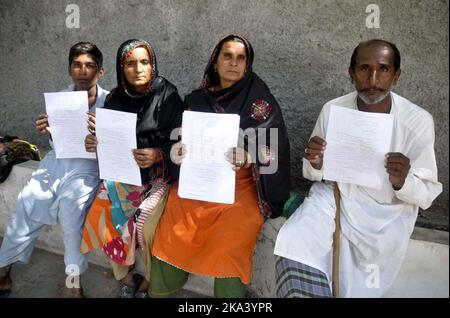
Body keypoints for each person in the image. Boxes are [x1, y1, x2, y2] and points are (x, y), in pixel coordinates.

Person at [274, 39, 443, 298]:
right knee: (297, 241)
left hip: (387, 214)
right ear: (351, 73)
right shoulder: (333, 110)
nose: (373, 79)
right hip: (336, 198)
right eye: (364, 68)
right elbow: (313, 173)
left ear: (396, 75)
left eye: (383, 69)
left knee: (358, 287)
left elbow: (427, 194)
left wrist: (403, 181)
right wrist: (316, 162)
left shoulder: (417, 121)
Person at [150, 34, 290, 298]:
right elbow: (180, 139)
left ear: (247, 65)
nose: (233, 63)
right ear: (216, 61)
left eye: (241, 58)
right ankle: (162, 290)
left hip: (244, 185)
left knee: (231, 240)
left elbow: (276, 148)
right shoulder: (197, 100)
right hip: (201, 179)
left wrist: (249, 157)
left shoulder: (261, 103)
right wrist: (177, 152)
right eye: (227, 56)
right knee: (175, 222)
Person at [0, 42, 108, 298]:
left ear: (100, 72)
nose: (83, 71)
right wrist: (48, 131)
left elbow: (116, 145)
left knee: (72, 215)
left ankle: (73, 283)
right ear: (70, 68)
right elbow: (56, 143)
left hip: (88, 169)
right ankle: (3, 269)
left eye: (90, 66)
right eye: (77, 65)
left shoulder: (110, 102)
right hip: (57, 163)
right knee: (27, 204)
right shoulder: (62, 98)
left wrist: (100, 134)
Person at [80, 39, 184, 298]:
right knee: (103, 211)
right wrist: (95, 142)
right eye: (130, 63)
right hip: (124, 174)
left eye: (144, 62)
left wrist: (158, 155)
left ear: (153, 65)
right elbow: (110, 140)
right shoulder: (115, 98)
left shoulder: (167, 95)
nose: (138, 69)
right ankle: (125, 275)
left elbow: (183, 142)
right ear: (121, 68)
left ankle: (149, 279)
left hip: (158, 176)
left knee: (147, 226)